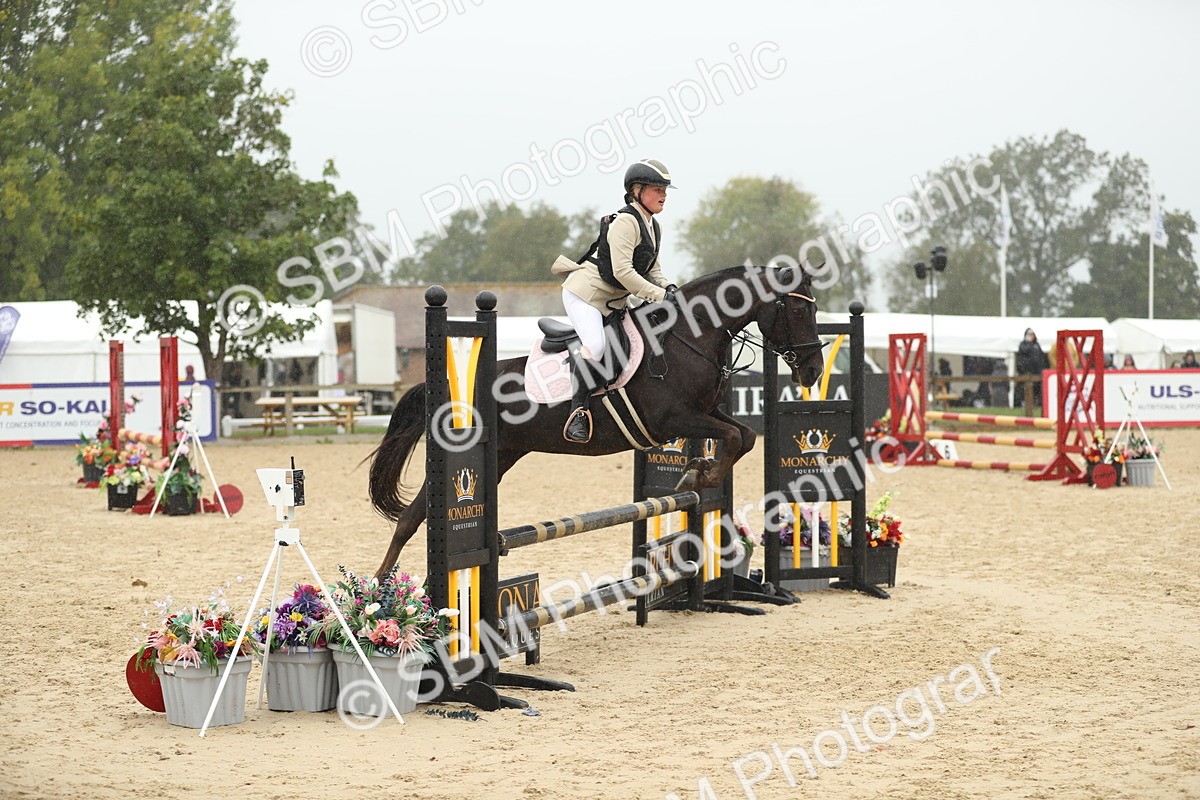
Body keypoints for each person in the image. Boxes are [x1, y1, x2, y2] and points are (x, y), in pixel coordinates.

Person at [551, 159, 677, 443]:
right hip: (586, 295)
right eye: (657, 188)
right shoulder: (625, 222)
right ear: (636, 190)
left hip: (615, 302)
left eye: (665, 189)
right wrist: (659, 295)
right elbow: (623, 272)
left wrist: (669, 287)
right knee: (595, 346)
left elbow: (652, 270)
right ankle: (578, 412)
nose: (664, 194)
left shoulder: (654, 227)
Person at [1015, 328, 1050, 408]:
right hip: (1027, 373)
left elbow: (1041, 358)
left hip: (1037, 373)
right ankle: (1025, 405)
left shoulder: (1037, 345)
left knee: (1037, 391)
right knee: (1025, 390)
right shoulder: (1023, 345)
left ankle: (1036, 405)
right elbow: (1023, 355)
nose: (1031, 336)